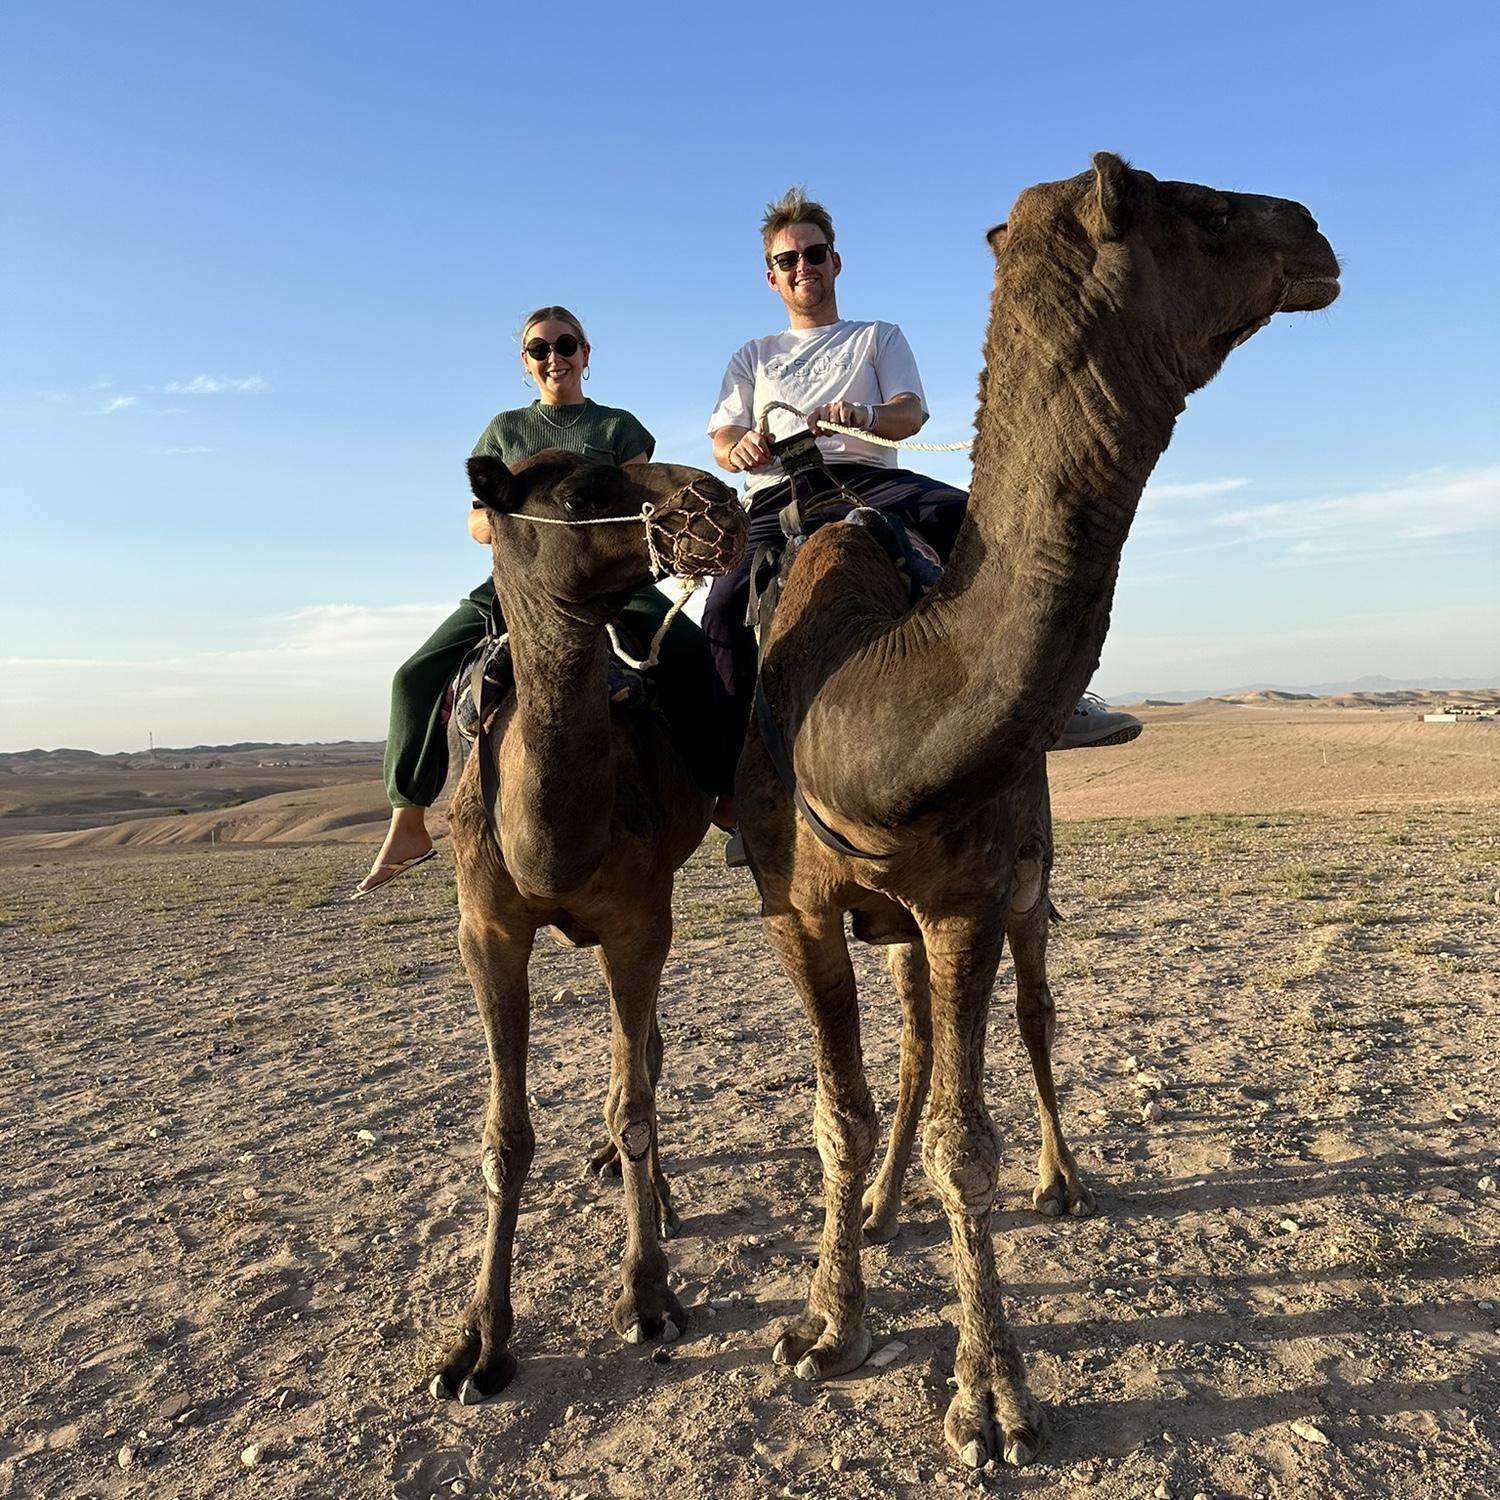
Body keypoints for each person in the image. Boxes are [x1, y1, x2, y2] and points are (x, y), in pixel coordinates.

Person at [702, 188, 1142, 840]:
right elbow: (721, 438)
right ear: (771, 275)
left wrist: (867, 417)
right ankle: (735, 787)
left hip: (867, 479)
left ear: (835, 261)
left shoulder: (877, 338)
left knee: (985, 529)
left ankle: (1051, 699)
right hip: (777, 493)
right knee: (723, 605)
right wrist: (738, 446)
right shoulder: (752, 356)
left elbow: (911, 413)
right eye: (788, 259)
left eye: (813, 253)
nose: (803, 268)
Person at [354, 306, 726, 897]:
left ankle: (725, 792)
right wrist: (509, 523)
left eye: (566, 345)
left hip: (612, 586)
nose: (555, 358)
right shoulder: (505, 432)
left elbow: (638, 509)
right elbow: (479, 525)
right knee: (413, 677)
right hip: (521, 588)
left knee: (692, 650)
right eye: (539, 349)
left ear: (586, 353)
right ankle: (408, 820)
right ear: (525, 363)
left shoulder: (618, 429)